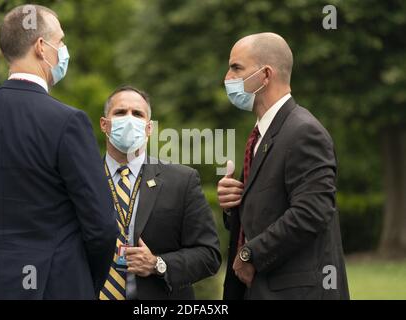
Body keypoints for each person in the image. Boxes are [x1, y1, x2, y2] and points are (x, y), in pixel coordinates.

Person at [0, 4, 118, 299]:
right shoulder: (69, 123)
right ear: (42, 47)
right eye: (62, 41)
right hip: (53, 287)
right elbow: (103, 227)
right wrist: (80, 280)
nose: (64, 50)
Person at [218, 32, 349, 300]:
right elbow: (268, 211)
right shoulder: (262, 133)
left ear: (265, 75)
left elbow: (312, 212)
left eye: (236, 68)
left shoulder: (303, 131)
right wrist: (235, 204)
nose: (227, 77)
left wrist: (250, 253)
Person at [98, 86, 221, 300]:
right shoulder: (80, 179)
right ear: (104, 124)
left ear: (149, 128)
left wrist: (158, 264)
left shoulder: (182, 181)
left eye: (137, 114)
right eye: (120, 112)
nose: (129, 119)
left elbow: (209, 255)